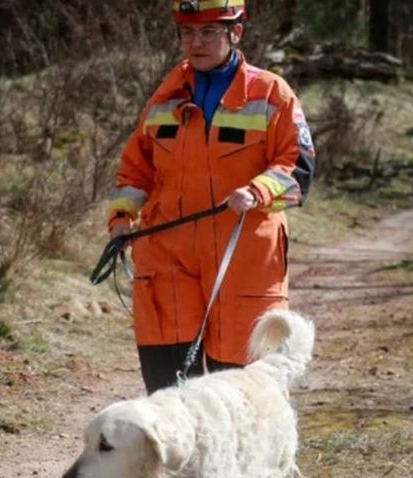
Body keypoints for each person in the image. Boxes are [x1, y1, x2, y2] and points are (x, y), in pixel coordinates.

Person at [105, 0, 316, 394]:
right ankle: (184, 459)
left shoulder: (272, 94)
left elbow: (299, 170)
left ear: (236, 33)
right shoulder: (165, 97)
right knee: (171, 388)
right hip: (167, 254)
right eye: (187, 32)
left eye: (208, 32)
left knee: (245, 391)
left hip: (244, 255)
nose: (195, 43)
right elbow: (135, 170)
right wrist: (120, 220)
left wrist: (258, 191)